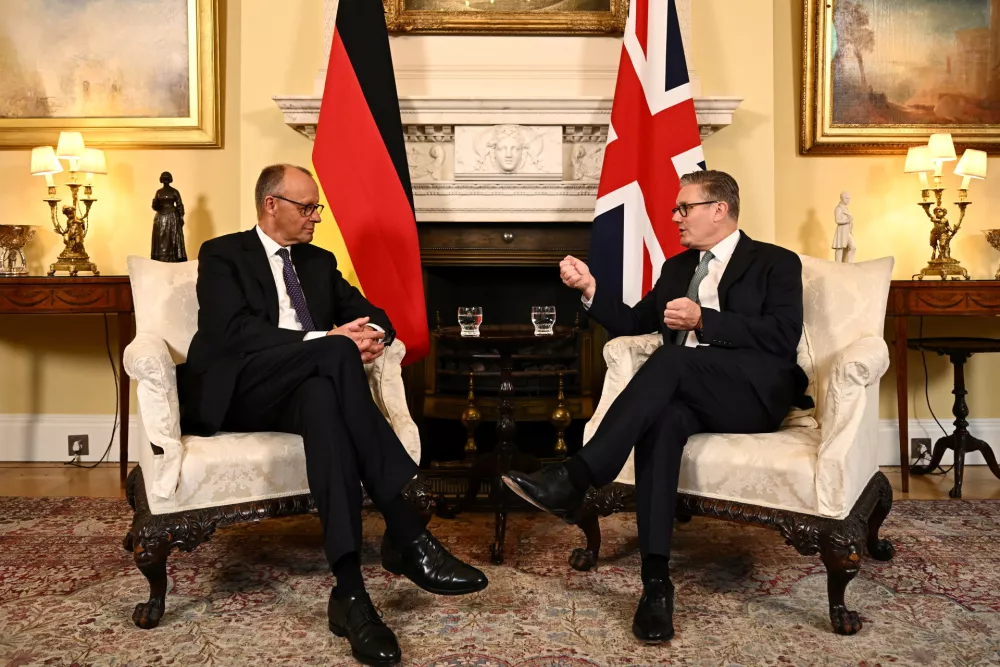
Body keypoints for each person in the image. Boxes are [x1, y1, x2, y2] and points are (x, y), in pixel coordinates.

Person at [177, 164, 488, 666]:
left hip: (304, 391)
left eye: (317, 207)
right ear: (271, 204)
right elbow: (231, 332)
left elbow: (377, 316)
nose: (316, 217)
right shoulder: (223, 254)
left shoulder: (318, 263)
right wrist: (329, 340)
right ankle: (407, 528)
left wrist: (371, 336)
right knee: (334, 354)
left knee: (326, 400)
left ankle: (349, 595)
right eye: (307, 207)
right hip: (240, 389)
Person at [503, 170, 812, 644]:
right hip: (689, 391)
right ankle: (655, 584)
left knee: (671, 358)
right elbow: (631, 321)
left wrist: (705, 320)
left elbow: (781, 336)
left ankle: (577, 476)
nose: (674, 217)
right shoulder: (676, 268)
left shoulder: (775, 262)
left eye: (683, 208)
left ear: (719, 210)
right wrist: (589, 288)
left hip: (752, 394)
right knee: (662, 422)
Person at [832, 191, 855, 263]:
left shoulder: (846, 208)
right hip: (841, 231)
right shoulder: (838, 208)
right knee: (839, 248)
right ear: (842, 198)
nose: (848, 200)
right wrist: (847, 220)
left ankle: (848, 263)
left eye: (849, 199)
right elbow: (837, 220)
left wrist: (851, 230)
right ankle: (838, 265)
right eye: (846, 198)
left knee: (853, 247)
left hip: (847, 231)